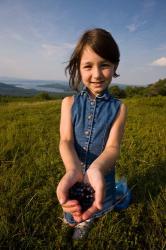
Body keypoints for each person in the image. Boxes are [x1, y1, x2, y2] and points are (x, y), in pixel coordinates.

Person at [56, 28, 127, 239]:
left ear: (114, 66)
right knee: (75, 202)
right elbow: (66, 140)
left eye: (104, 65)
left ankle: (87, 221)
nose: (96, 74)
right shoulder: (68, 103)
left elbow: (113, 147)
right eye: (88, 66)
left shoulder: (119, 108)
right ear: (78, 67)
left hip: (101, 173)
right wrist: (72, 169)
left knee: (94, 204)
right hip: (74, 173)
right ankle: (75, 220)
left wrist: (95, 169)